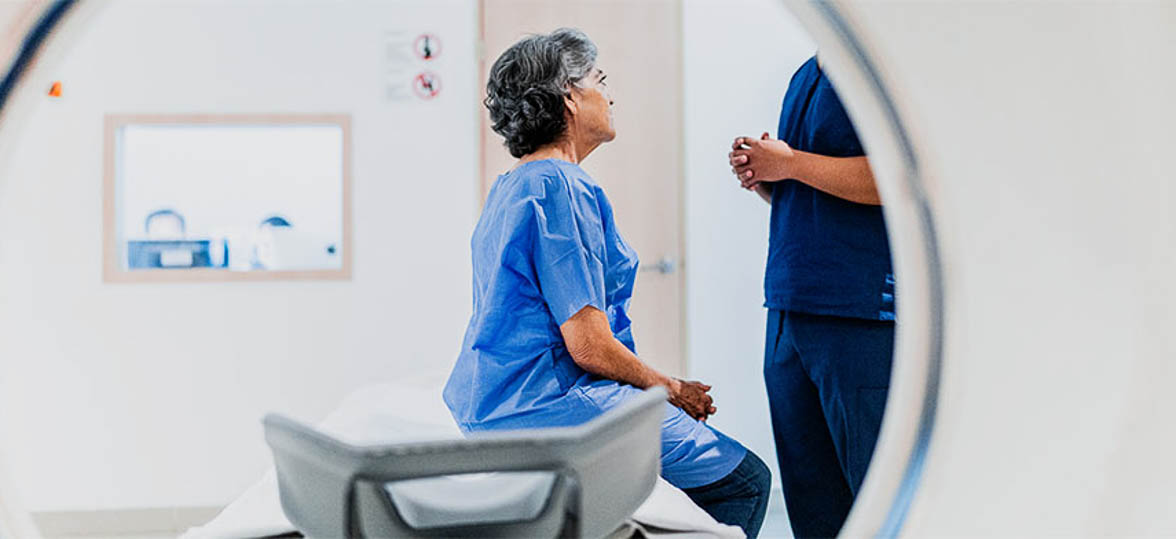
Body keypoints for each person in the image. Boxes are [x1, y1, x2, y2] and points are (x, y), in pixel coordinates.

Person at [444, 28, 771, 536]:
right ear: (568, 96)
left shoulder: (511, 187)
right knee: (745, 481)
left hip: (493, 408)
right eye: (599, 80)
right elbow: (588, 345)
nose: (610, 95)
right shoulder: (560, 186)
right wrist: (671, 388)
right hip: (551, 405)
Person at [727, 54, 895, 538]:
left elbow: (894, 177)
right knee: (813, 505)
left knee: (876, 503)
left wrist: (790, 163)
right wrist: (769, 178)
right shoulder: (806, 73)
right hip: (788, 307)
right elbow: (810, 188)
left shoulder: (877, 63)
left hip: (857, 313)